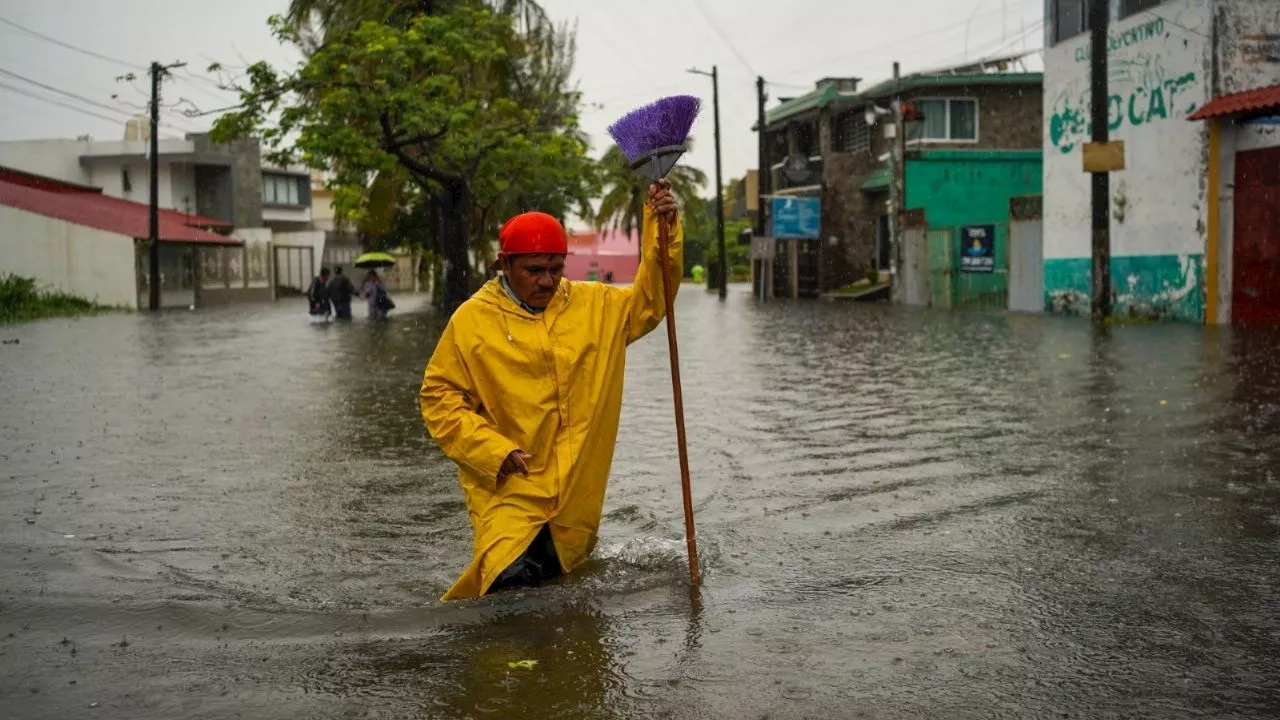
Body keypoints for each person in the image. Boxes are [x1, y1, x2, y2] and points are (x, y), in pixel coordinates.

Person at [419, 180, 682, 601]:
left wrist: (663, 226)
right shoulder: (473, 321)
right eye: (534, 270)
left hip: (577, 492)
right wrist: (491, 451)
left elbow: (653, 300)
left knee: (558, 594)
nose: (547, 281)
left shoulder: (596, 306)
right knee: (505, 585)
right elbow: (439, 396)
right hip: (509, 486)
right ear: (504, 264)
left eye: (556, 268)